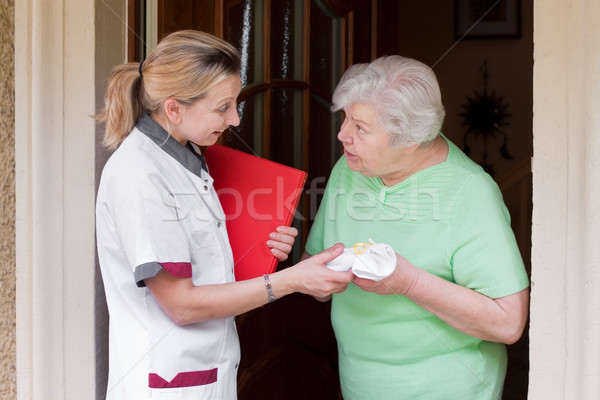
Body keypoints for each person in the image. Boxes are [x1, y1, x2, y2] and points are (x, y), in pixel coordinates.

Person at [95, 30, 353, 400]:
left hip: (206, 371)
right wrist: (292, 282)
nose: (234, 119)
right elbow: (182, 305)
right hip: (168, 382)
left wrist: (260, 251)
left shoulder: (188, 155)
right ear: (174, 108)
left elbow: (202, 260)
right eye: (223, 107)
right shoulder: (140, 176)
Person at [304, 55, 530, 399]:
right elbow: (316, 271)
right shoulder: (350, 169)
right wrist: (307, 276)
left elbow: (508, 322)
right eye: (345, 118)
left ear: (410, 140)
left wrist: (408, 282)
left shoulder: (470, 192)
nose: (343, 134)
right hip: (359, 384)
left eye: (360, 127)